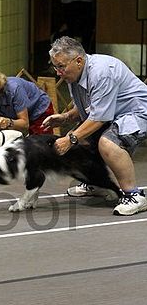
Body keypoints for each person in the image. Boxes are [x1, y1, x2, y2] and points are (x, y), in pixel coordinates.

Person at [42, 36, 147, 216]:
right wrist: (65, 117)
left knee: (107, 143)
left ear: (79, 60)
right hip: (112, 114)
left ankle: (134, 195)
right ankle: (96, 183)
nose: (58, 72)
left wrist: (70, 139)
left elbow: (99, 117)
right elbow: (87, 106)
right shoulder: (73, 75)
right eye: (55, 66)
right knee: (82, 140)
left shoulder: (101, 72)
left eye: (61, 66)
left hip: (138, 113)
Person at [0, 65, 54, 135]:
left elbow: (25, 124)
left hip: (38, 110)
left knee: (41, 147)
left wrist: (9, 122)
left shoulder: (14, 89)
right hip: (12, 114)